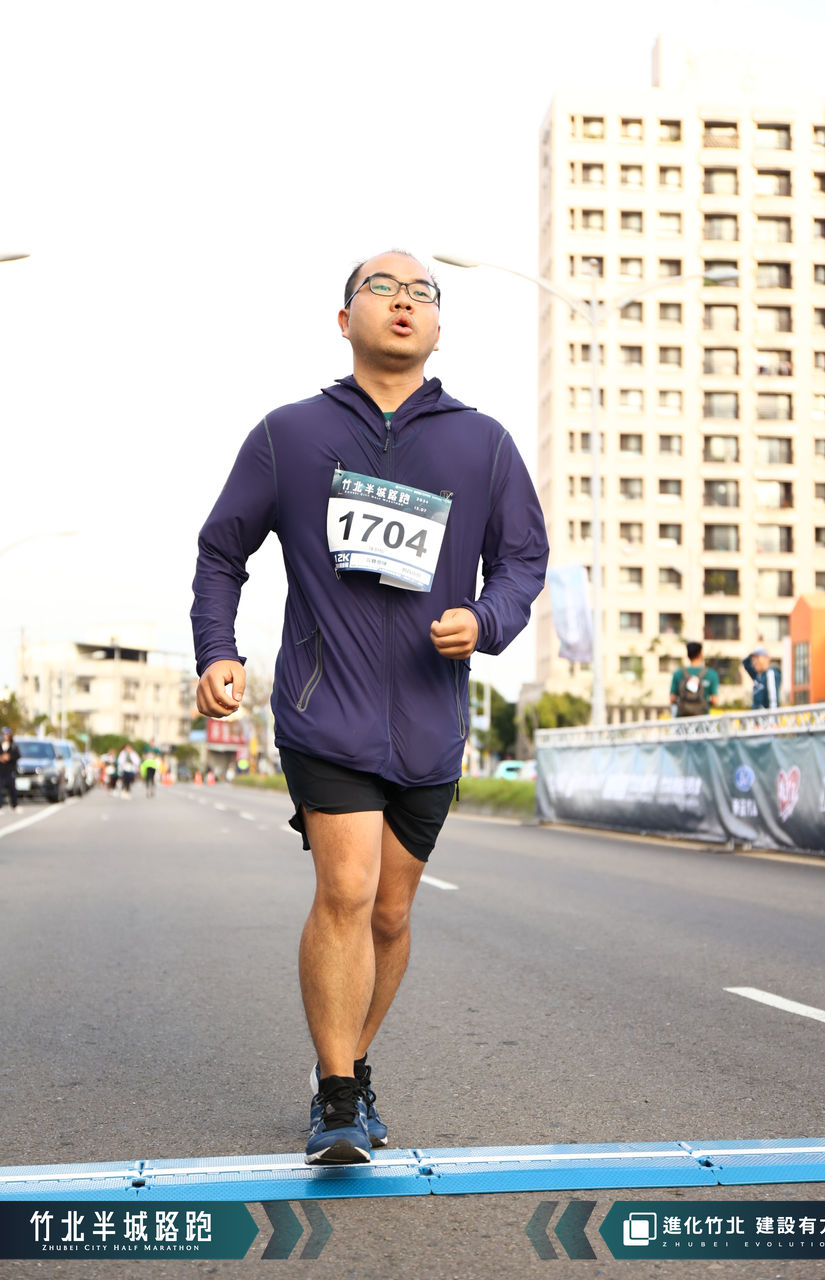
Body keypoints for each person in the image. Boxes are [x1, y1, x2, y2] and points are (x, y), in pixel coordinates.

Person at [191, 249, 548, 1166]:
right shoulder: (290, 434)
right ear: (343, 317)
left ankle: (344, 1063)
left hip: (430, 721)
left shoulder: (482, 443)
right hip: (327, 707)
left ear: (438, 327)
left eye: (421, 292)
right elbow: (222, 550)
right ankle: (340, 1098)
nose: (402, 301)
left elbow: (522, 561)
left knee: (389, 912)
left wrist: (488, 619)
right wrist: (217, 650)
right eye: (380, 289)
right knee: (345, 890)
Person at [669, 641, 720, 717]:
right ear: (700, 654)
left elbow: (672, 699)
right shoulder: (711, 674)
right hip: (702, 719)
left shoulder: (678, 674)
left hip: (682, 719)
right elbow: (715, 701)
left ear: (688, 655)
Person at [743, 645, 781, 710]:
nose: (754, 662)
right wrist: (753, 653)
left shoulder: (770, 674)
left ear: (766, 658)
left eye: (757, 658)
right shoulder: (757, 676)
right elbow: (745, 663)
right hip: (757, 715)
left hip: (765, 715)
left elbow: (773, 702)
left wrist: (772, 717)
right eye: (753, 659)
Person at [0, 727, 20, 810]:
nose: (5, 736)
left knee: (12, 789)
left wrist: (9, 757)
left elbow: (17, 755)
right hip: (1, 771)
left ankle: (14, 805)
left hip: (10, 770)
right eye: (4, 734)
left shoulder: (13, 746)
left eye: (7, 734)